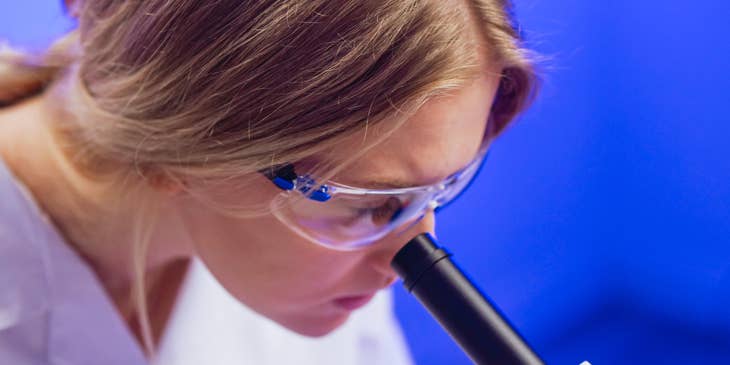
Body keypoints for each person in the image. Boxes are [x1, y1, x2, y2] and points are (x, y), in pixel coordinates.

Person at [0, 0, 537, 364]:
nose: (412, 254)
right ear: (185, 143)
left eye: (443, 186)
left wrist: (361, 209)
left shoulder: (313, 240)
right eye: (371, 205)